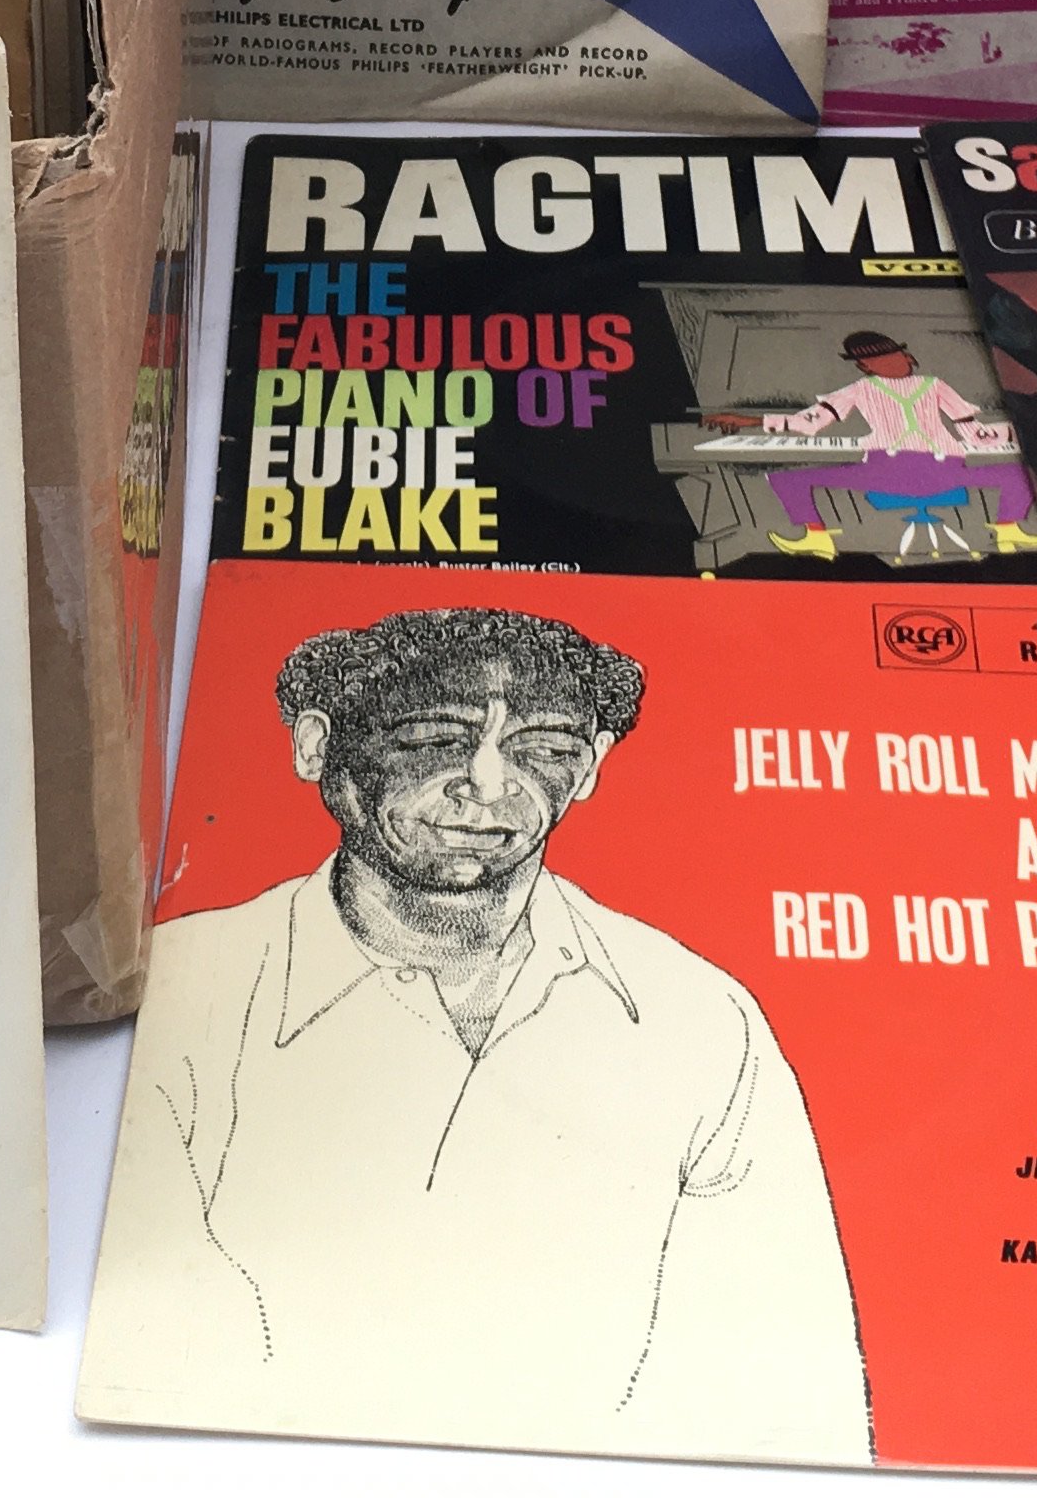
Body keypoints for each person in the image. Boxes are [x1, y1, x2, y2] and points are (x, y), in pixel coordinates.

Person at [89, 605, 871, 1464]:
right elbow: (157, 1379)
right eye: (434, 736)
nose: (490, 782)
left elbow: (792, 1391)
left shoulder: (703, 1018)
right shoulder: (187, 985)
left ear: (592, 766)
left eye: (544, 746)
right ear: (317, 746)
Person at [705, 328, 1035, 559]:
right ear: (865, 367)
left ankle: (816, 536)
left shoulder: (924, 385)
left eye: (894, 354)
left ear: (906, 354)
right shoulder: (867, 389)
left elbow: (974, 433)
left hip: (899, 472)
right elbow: (810, 421)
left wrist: (1024, 428)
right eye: (880, 359)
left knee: (789, 480)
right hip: (920, 472)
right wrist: (753, 421)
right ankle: (1008, 530)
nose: (896, 361)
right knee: (786, 478)